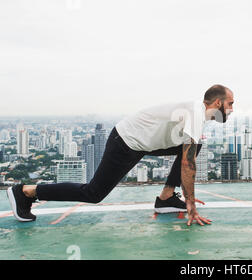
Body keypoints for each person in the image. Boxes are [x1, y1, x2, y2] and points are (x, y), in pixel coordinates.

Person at [6, 84, 234, 226]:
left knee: (194, 148)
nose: (232, 109)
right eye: (230, 104)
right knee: (93, 193)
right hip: (125, 141)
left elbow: (187, 155)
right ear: (217, 102)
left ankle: (165, 199)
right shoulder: (195, 112)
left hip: (143, 143)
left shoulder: (198, 115)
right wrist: (191, 206)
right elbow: (187, 164)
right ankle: (26, 192)